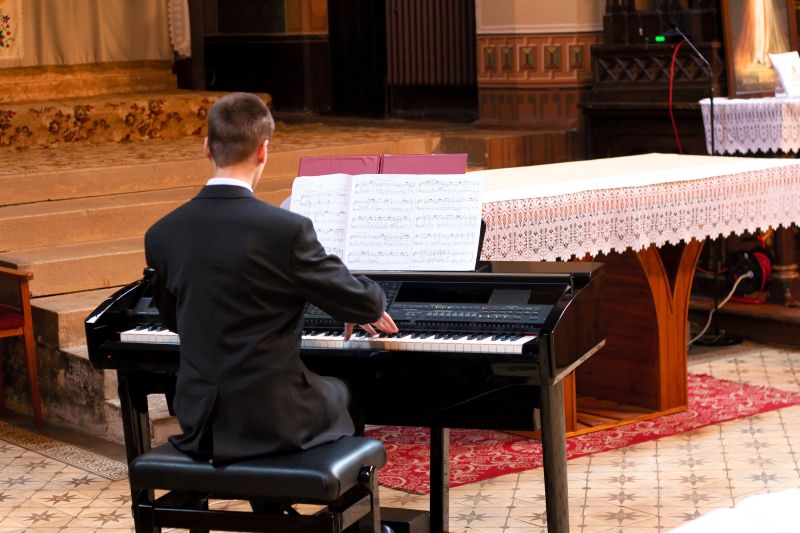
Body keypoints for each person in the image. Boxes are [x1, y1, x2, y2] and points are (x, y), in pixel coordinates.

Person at [144, 92, 398, 467]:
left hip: (200, 419)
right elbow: (368, 303)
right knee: (345, 388)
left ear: (206, 147)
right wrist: (349, 301)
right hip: (278, 420)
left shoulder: (161, 234)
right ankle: (341, 500)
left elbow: (174, 320)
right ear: (263, 150)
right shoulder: (285, 230)